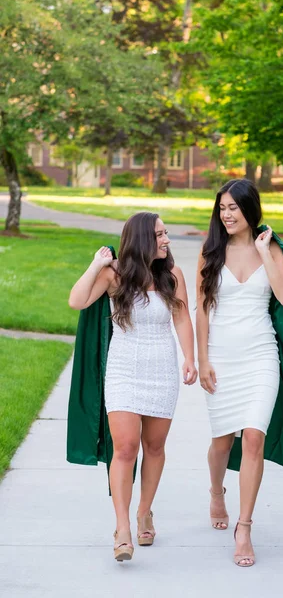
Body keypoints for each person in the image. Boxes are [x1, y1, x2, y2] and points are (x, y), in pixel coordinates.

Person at [69, 212, 197, 562]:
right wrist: (95, 265)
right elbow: (76, 300)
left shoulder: (172, 275)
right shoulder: (115, 275)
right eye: (159, 234)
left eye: (166, 233)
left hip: (162, 370)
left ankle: (145, 510)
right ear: (142, 238)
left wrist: (190, 357)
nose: (166, 240)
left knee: (154, 447)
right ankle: (122, 527)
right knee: (125, 448)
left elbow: (182, 316)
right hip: (124, 369)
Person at [196, 178, 283, 567]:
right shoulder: (210, 253)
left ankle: (244, 527)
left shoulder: (270, 249)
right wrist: (202, 360)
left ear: (249, 210)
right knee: (222, 443)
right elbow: (201, 309)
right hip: (220, 356)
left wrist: (263, 251)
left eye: (233, 208)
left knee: (253, 438)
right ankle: (217, 491)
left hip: (260, 355)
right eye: (222, 208)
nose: (226, 214)